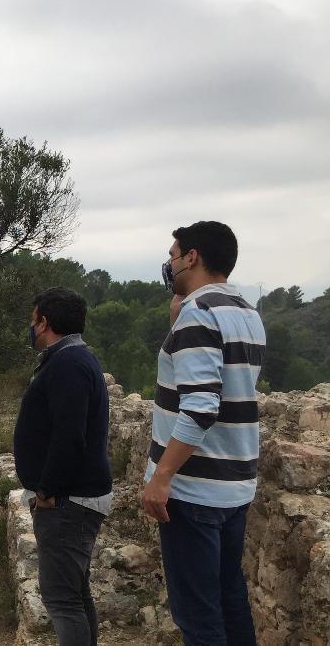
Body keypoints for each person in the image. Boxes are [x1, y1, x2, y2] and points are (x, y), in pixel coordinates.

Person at [142, 221, 265, 646]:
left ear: (192, 257)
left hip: (194, 488)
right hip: (235, 483)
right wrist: (179, 316)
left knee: (198, 614)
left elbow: (200, 407)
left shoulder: (201, 312)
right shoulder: (246, 311)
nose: (170, 263)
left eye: (173, 255)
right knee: (231, 599)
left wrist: (162, 476)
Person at [13, 287, 113, 646]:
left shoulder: (68, 364)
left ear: (44, 322)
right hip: (75, 498)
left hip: (69, 501)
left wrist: (47, 491)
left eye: (33, 319)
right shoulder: (72, 360)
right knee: (76, 594)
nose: (30, 326)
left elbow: (69, 436)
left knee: (61, 599)